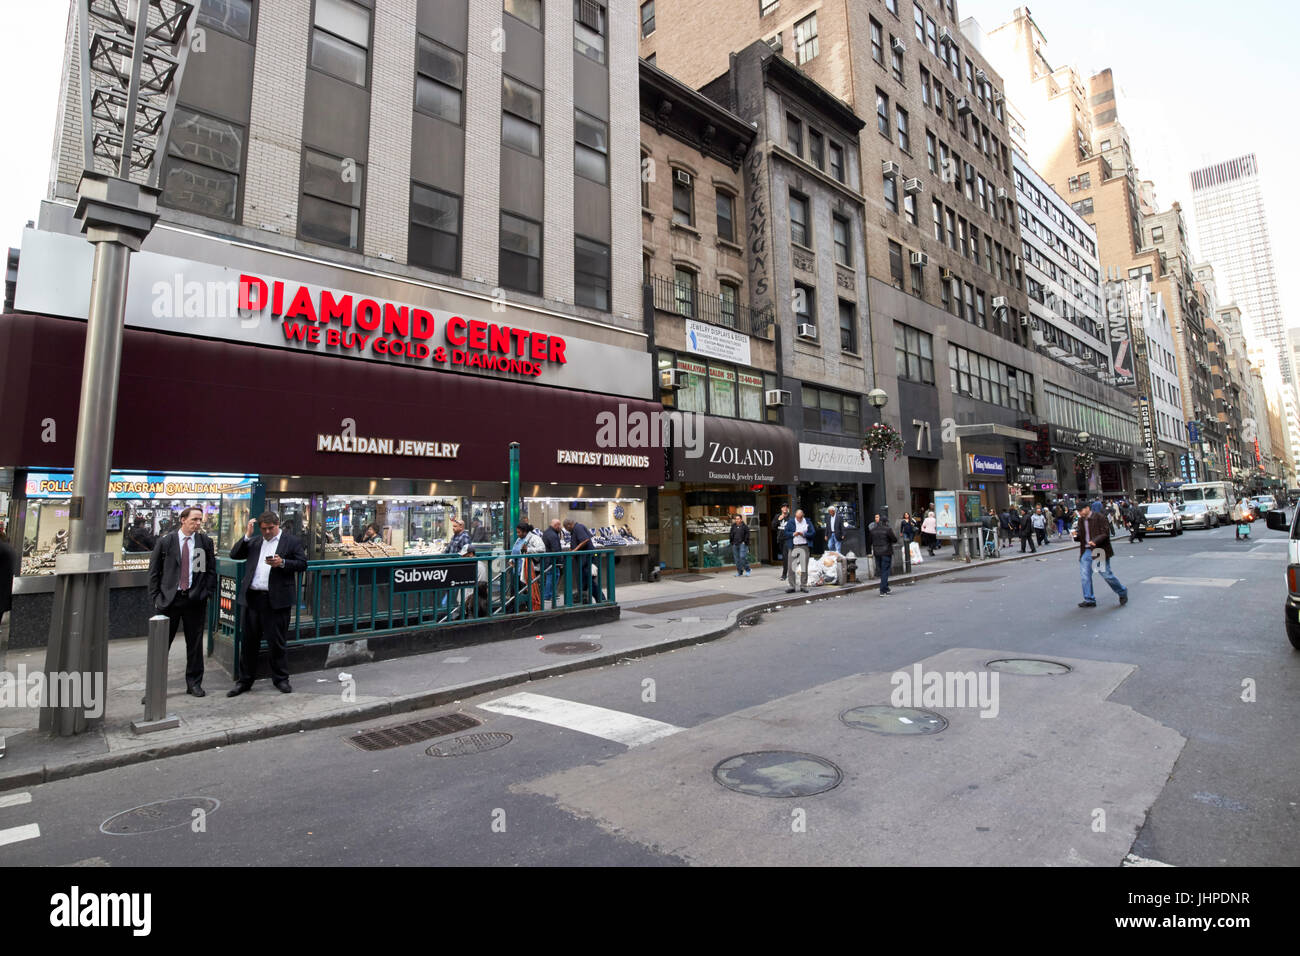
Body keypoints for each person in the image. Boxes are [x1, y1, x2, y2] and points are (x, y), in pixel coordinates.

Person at [227, 512, 308, 696]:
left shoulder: (291, 541)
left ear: (277, 524)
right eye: (264, 529)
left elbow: (303, 564)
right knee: (248, 642)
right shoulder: (255, 541)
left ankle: (281, 679)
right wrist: (247, 535)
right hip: (253, 598)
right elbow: (234, 554)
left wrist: (282, 563)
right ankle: (245, 680)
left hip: (276, 600)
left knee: (276, 642)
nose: (268, 532)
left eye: (271, 528)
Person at [147, 506, 217, 697]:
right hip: (169, 600)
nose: (198, 523)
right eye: (194, 519)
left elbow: (209, 569)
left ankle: (194, 683)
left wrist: (206, 592)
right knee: (161, 645)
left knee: (194, 644)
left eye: (200, 520)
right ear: (183, 520)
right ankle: (154, 687)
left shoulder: (204, 542)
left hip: (194, 599)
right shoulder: (166, 542)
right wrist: (156, 597)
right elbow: (154, 572)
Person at [1074, 501, 1128, 608]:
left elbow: (1105, 533)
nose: (1080, 513)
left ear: (1087, 508)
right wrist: (1076, 536)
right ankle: (1089, 599)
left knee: (1106, 574)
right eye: (1078, 511)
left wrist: (1095, 541)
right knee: (1085, 576)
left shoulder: (1100, 517)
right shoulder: (1081, 520)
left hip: (1098, 549)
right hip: (1086, 551)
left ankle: (1122, 591)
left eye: (1081, 511)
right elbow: (1081, 535)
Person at [563, 518, 604, 604]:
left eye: (566, 528)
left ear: (569, 525)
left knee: (588, 581)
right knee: (584, 583)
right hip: (583, 559)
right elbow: (576, 542)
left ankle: (601, 599)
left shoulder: (578, 528)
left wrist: (575, 550)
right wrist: (571, 552)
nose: (566, 530)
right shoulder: (575, 530)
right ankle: (584, 600)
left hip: (587, 559)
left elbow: (585, 540)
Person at [783, 509, 815, 593]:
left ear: (803, 516)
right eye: (797, 517)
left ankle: (803, 585)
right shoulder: (791, 522)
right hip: (793, 546)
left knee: (804, 567)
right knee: (791, 567)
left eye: (800, 517)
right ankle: (792, 586)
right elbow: (785, 533)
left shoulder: (807, 522)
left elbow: (813, 533)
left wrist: (804, 534)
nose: (798, 519)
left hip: (804, 546)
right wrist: (793, 534)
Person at [869, 515, 900, 595]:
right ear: (886, 522)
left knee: (881, 571)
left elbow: (870, 541)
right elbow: (894, 539)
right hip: (886, 552)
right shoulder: (888, 529)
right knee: (885, 571)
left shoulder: (873, 530)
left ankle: (886, 588)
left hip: (877, 553)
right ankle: (883, 590)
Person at [541, 518, 563, 606]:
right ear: (556, 525)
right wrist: (560, 562)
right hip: (552, 560)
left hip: (547, 559)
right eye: (559, 525)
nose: (560, 527)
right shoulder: (553, 535)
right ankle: (548, 595)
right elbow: (556, 549)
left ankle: (551, 594)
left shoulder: (547, 532)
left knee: (552, 576)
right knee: (552, 576)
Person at [774, 504, 791, 581]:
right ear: (781, 509)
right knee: (785, 557)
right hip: (780, 539)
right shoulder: (777, 516)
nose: (785, 508)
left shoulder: (790, 517)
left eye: (787, 507)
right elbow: (773, 526)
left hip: (787, 539)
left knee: (785, 556)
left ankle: (784, 574)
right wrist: (779, 520)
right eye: (784, 507)